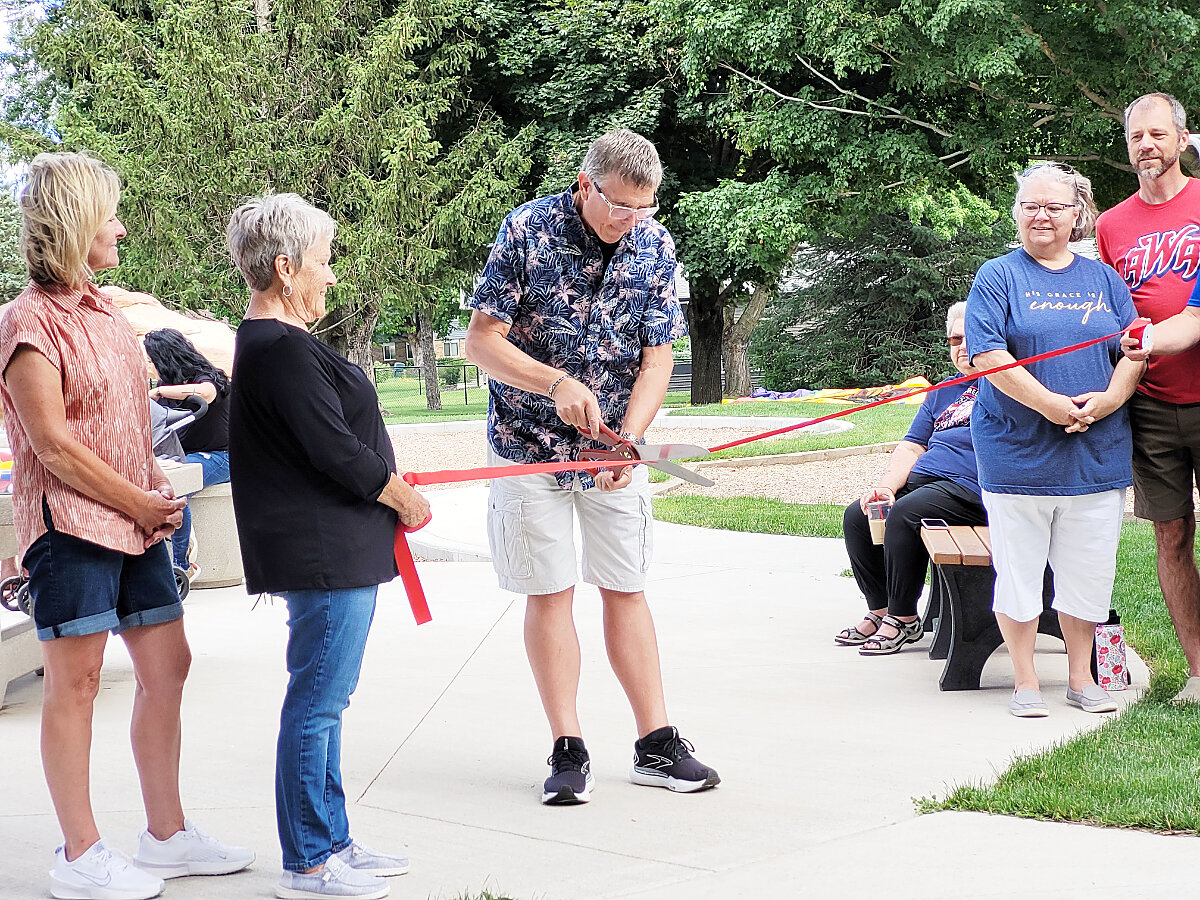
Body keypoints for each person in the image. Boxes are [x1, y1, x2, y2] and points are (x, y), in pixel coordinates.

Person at [0, 152, 254, 900]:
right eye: (109, 213)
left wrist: (151, 497)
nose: (120, 226)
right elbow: (51, 445)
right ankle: (80, 855)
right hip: (73, 525)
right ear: (76, 220)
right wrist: (138, 501)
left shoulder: (107, 309)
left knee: (167, 666)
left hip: (139, 520)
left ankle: (166, 836)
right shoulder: (27, 322)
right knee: (73, 686)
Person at [465, 129, 719, 806]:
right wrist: (553, 384)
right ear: (586, 186)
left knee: (626, 585)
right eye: (618, 206)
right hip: (527, 445)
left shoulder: (656, 247)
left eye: (643, 208)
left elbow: (658, 356)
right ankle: (568, 748)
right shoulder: (526, 229)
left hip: (612, 454)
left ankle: (656, 743)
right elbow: (481, 341)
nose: (629, 220)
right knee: (550, 591)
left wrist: (630, 440)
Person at [225, 193, 430, 900]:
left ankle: (333, 840)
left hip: (336, 549)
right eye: (323, 261)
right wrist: (403, 496)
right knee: (316, 704)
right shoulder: (277, 348)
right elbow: (334, 451)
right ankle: (308, 861)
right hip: (323, 553)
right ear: (285, 268)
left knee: (326, 703)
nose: (331, 275)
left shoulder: (280, 345)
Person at [965, 161, 1144, 718]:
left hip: (1096, 454)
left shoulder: (1105, 281)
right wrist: (1051, 405)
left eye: (1054, 206)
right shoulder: (998, 276)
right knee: (1018, 571)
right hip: (1017, 453)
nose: (1040, 216)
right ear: (1017, 214)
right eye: (1029, 206)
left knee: (1088, 572)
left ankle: (1078, 677)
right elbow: (988, 355)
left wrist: (1110, 400)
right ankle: (1023, 681)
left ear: (1077, 215)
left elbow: (1134, 349)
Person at [1096, 92, 1200, 706]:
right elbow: (1105, 313)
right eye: (1137, 137)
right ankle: (1198, 671)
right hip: (1152, 405)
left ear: (1181, 138)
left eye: (1159, 135)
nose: (1147, 147)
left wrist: (1147, 339)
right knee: (1170, 534)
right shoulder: (1111, 226)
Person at [836, 301, 988, 654]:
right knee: (860, 515)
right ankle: (881, 609)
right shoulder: (941, 391)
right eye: (955, 340)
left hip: (972, 489)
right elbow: (911, 446)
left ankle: (904, 619)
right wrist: (887, 487)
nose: (962, 347)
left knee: (907, 514)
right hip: (928, 483)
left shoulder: (1008, 386)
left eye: (971, 337)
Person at [144, 327, 231, 578]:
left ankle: (182, 565)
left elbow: (206, 394)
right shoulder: (166, 384)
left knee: (177, 485)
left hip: (221, 457)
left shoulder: (210, 377)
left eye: (151, 359)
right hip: (183, 457)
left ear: (164, 357)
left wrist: (160, 393)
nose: (149, 365)